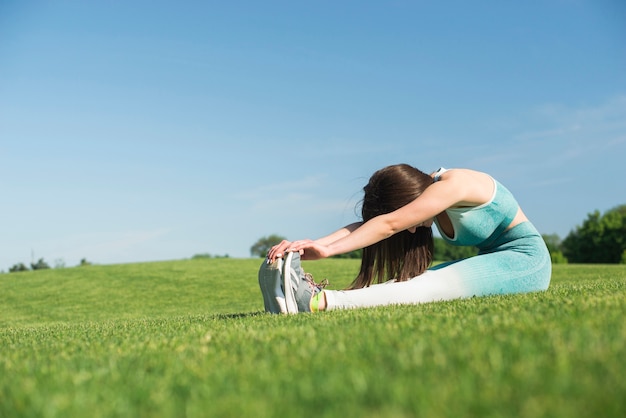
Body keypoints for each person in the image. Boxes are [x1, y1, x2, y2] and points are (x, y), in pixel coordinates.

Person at [258, 164, 551, 314]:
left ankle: (314, 302)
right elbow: (375, 224)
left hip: (526, 261)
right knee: (407, 285)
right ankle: (294, 298)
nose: (411, 230)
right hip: (493, 258)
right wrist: (315, 243)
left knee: (430, 286)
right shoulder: (421, 189)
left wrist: (327, 251)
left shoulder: (454, 185)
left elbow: (390, 224)